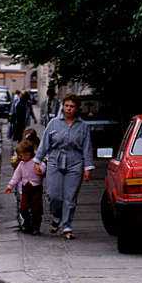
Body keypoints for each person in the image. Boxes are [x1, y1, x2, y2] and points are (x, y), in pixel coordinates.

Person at [33, 93, 94, 240]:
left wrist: (88, 167)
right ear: (63, 106)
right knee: (53, 195)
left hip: (75, 162)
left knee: (70, 197)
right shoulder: (54, 123)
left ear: (77, 108)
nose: (68, 109)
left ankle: (67, 226)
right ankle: (56, 217)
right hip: (55, 160)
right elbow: (45, 143)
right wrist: (37, 160)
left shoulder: (83, 126)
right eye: (66, 106)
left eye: (72, 106)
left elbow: (87, 147)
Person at [4, 140, 45, 235]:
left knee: (36, 208)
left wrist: (41, 170)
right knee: (23, 208)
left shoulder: (36, 162)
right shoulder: (21, 165)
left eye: (24, 155)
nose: (22, 158)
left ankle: (36, 226)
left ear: (30, 153)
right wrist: (10, 185)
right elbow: (16, 176)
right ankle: (27, 223)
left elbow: (43, 168)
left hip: (36, 188)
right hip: (25, 189)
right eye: (20, 156)